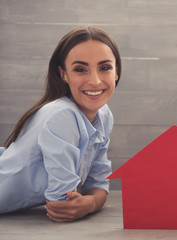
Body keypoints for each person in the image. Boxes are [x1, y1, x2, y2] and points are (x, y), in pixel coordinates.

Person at [0, 26, 121, 222]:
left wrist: (90, 202)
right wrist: (87, 199)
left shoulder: (104, 115)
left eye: (105, 68)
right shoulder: (62, 115)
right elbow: (62, 202)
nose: (95, 80)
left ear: (116, 72)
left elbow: (99, 185)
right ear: (63, 74)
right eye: (80, 69)